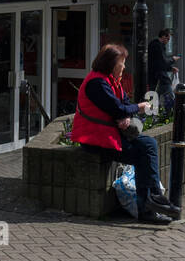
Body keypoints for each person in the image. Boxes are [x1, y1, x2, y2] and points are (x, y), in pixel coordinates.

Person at [71, 43, 177, 225]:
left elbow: (123, 106)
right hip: (95, 139)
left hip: (109, 135)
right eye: (122, 63)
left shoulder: (111, 81)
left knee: (149, 145)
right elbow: (118, 107)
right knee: (144, 153)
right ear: (111, 64)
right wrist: (138, 108)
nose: (124, 67)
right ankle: (151, 203)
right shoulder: (97, 83)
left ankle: (152, 202)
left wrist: (126, 114)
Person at [147, 27, 178, 113]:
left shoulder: (155, 45)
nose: (168, 41)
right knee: (169, 96)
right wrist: (173, 60)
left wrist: (170, 68)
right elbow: (162, 62)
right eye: (168, 39)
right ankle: (170, 114)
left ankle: (153, 116)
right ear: (163, 36)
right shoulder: (157, 46)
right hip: (160, 77)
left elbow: (159, 63)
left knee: (154, 98)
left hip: (155, 77)